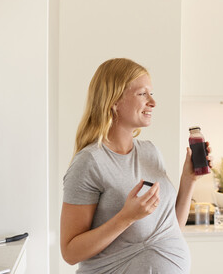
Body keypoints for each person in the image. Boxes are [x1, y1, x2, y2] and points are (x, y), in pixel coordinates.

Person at [60, 58, 212, 273]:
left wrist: (189, 180)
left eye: (152, 93)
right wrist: (126, 217)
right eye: (142, 94)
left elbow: (170, 230)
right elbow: (70, 252)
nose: (152, 102)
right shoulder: (90, 162)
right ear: (114, 101)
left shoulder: (150, 152)